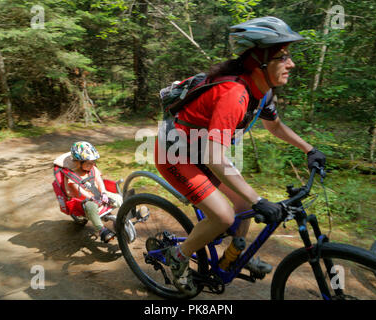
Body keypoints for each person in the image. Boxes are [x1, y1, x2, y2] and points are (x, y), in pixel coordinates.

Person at [154, 17, 326, 294]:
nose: (291, 64)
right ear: (259, 62)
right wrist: (259, 200)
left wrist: (310, 149)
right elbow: (215, 157)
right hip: (177, 154)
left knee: (244, 206)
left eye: (288, 56)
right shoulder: (233, 94)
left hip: (203, 151)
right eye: (282, 57)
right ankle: (179, 256)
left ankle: (234, 257)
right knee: (223, 216)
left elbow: (275, 126)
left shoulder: (262, 91)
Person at [61, 141, 122, 243]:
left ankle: (127, 212)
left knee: (118, 197)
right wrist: (91, 198)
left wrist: (103, 192)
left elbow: (99, 181)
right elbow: (78, 189)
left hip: (98, 194)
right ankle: (101, 230)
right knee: (91, 207)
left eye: (93, 161)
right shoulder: (72, 176)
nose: (92, 164)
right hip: (84, 200)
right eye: (89, 163)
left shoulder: (93, 169)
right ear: (78, 162)